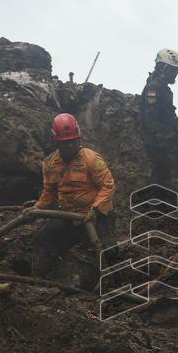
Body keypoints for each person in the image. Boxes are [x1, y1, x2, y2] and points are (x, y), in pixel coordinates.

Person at [31, 113, 116, 275]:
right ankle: (41, 279)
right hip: (68, 216)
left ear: (78, 139)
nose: (70, 146)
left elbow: (107, 186)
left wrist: (95, 210)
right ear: (57, 142)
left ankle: (112, 283)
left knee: (107, 252)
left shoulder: (91, 159)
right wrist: (36, 208)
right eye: (65, 143)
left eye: (73, 141)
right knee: (44, 238)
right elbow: (49, 192)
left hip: (96, 216)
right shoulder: (50, 164)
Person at [140, 48, 178, 187]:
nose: (176, 74)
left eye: (177, 71)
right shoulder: (154, 87)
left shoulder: (164, 89)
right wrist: (164, 142)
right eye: (173, 70)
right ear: (163, 68)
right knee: (161, 176)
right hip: (158, 144)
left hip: (164, 140)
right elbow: (150, 119)